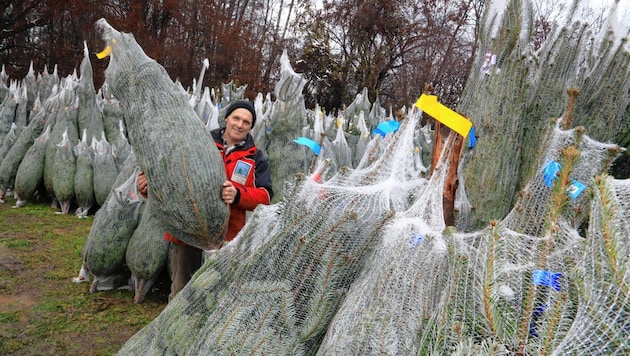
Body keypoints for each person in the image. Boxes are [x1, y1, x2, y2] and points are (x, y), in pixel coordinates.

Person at [136, 100, 273, 301]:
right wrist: (148, 186)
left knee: (216, 294)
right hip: (187, 231)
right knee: (181, 291)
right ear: (226, 118)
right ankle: (177, 329)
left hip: (226, 237)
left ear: (251, 127)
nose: (239, 124)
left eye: (246, 121)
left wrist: (238, 196)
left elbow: (265, 195)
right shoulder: (198, 143)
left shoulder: (255, 158)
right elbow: (169, 172)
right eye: (236, 118)